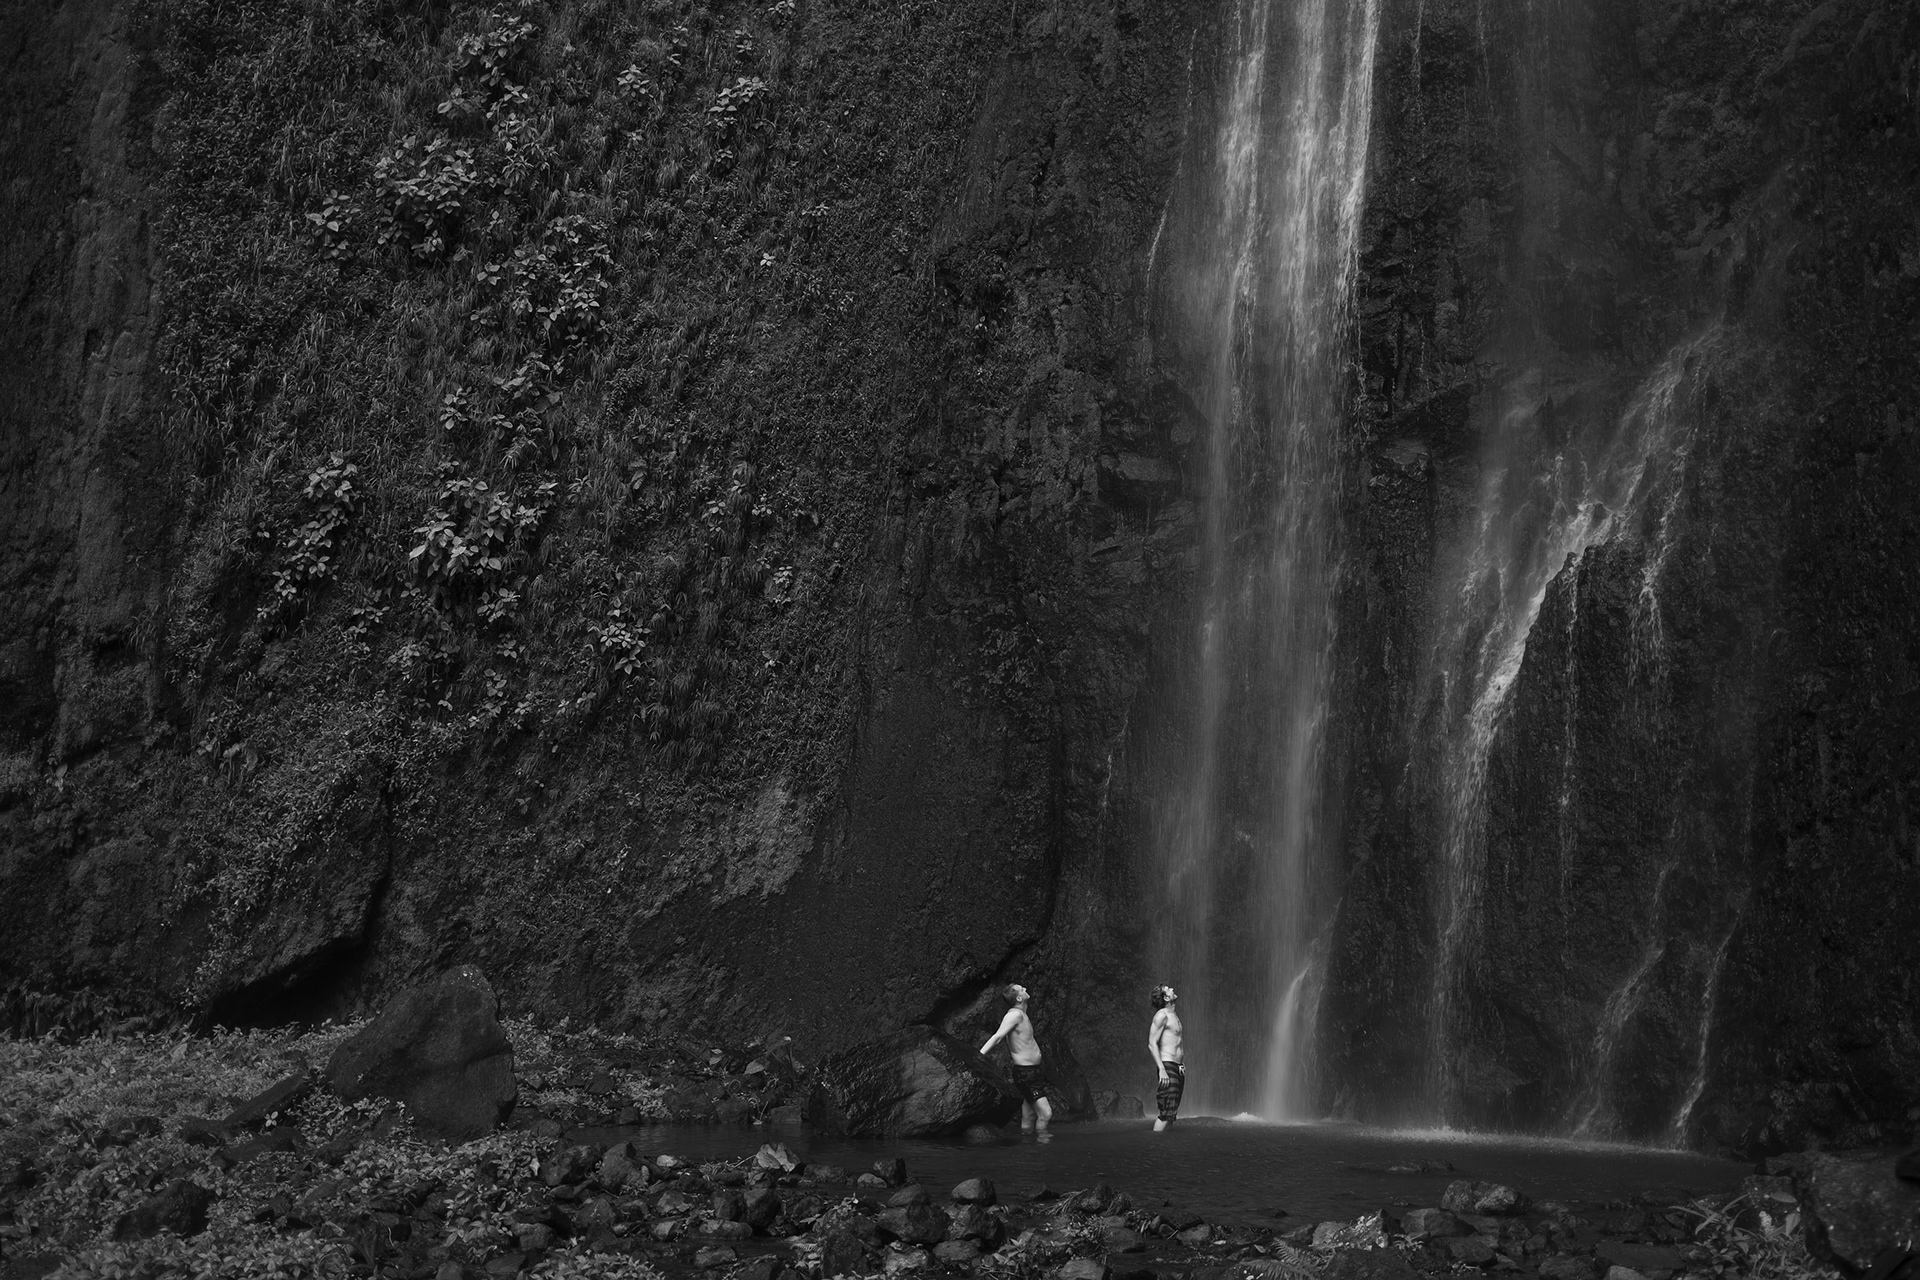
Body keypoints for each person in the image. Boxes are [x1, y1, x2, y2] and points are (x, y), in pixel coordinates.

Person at [980, 983, 1051, 1134]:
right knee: (1045, 1114)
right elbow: (997, 1037)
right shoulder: (1014, 1015)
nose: (1026, 989)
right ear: (1019, 997)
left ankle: (1026, 1147)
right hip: (1026, 1074)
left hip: (1033, 1072)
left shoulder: (1022, 1014)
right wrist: (979, 1056)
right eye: (1022, 989)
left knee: (1029, 1115)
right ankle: (1043, 1148)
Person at [1147, 984, 1184, 1130]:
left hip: (1178, 1067)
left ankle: (1166, 1145)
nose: (1173, 989)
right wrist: (1162, 1069)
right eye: (1168, 989)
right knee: (1165, 1112)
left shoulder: (1174, 1015)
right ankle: (1155, 1145)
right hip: (1167, 1065)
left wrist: (1181, 1066)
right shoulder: (1162, 1015)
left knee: (1171, 1111)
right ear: (1166, 997)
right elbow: (1152, 1044)